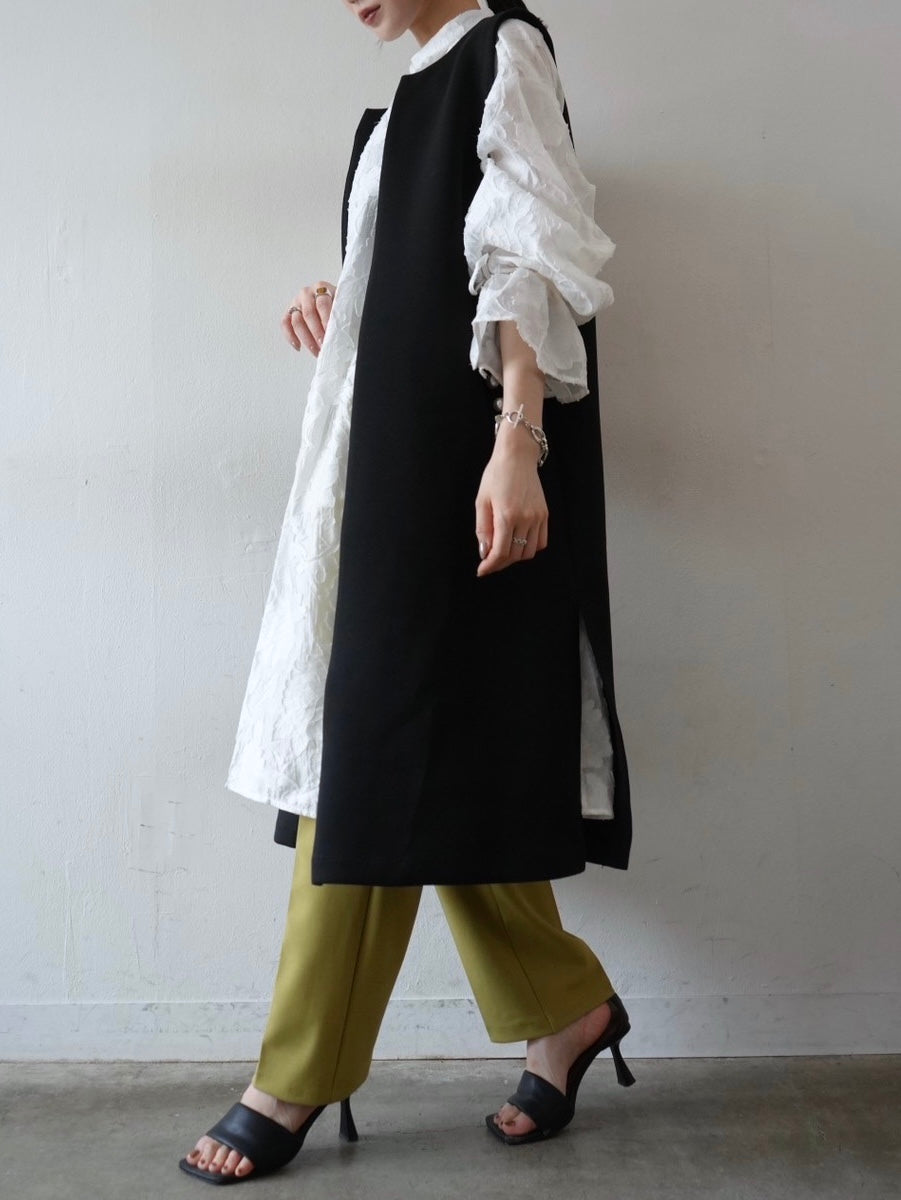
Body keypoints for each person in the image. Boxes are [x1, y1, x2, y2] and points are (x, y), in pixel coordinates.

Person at [179, 0, 635, 1185]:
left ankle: (295, 1072)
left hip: (457, 474)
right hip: (387, 466)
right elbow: (440, 272)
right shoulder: (402, 104)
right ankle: (566, 1007)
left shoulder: (502, 49)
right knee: (432, 751)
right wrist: (348, 297)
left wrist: (517, 446)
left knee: (371, 752)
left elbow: (528, 260)